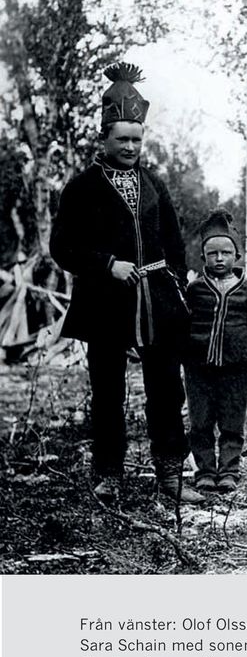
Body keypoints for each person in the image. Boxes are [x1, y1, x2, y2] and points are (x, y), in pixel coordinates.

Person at [50, 63, 201, 504]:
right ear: (104, 139)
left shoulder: (155, 184)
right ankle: (109, 475)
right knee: (109, 391)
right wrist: (106, 264)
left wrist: (175, 285)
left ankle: (170, 477)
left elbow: (174, 241)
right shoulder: (81, 188)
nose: (132, 147)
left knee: (165, 389)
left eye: (137, 139)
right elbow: (62, 248)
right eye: (123, 140)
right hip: (104, 302)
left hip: (157, 300)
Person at [183, 210, 247, 494]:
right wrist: (188, 353)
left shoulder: (246, 290)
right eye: (213, 253)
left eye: (226, 252)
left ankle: (229, 472)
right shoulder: (194, 290)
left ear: (237, 256)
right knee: (201, 422)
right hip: (199, 370)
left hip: (236, 370)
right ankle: (205, 471)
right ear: (203, 257)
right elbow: (183, 323)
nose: (220, 258)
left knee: (232, 423)